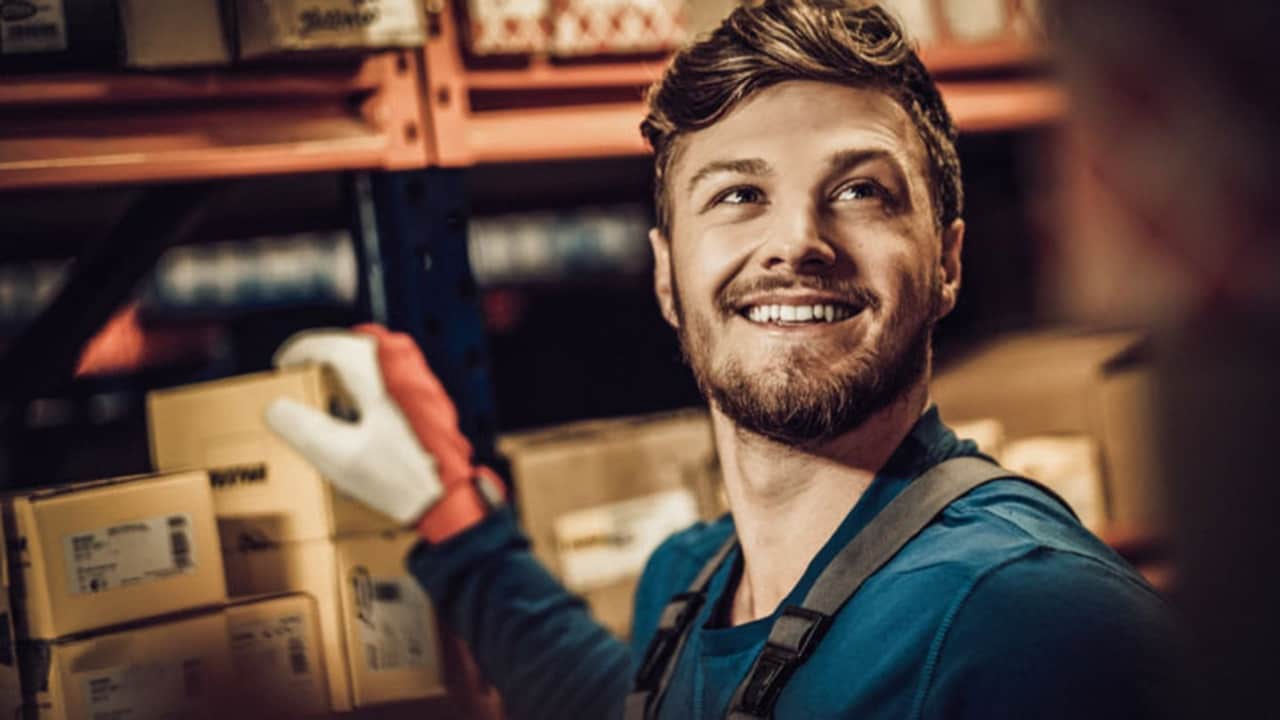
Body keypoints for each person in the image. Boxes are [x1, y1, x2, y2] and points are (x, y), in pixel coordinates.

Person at [264, 2, 1176, 717]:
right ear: (668, 274)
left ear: (947, 261)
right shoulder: (690, 585)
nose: (797, 241)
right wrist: (452, 519)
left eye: (860, 190)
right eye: (739, 193)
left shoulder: (1031, 623)